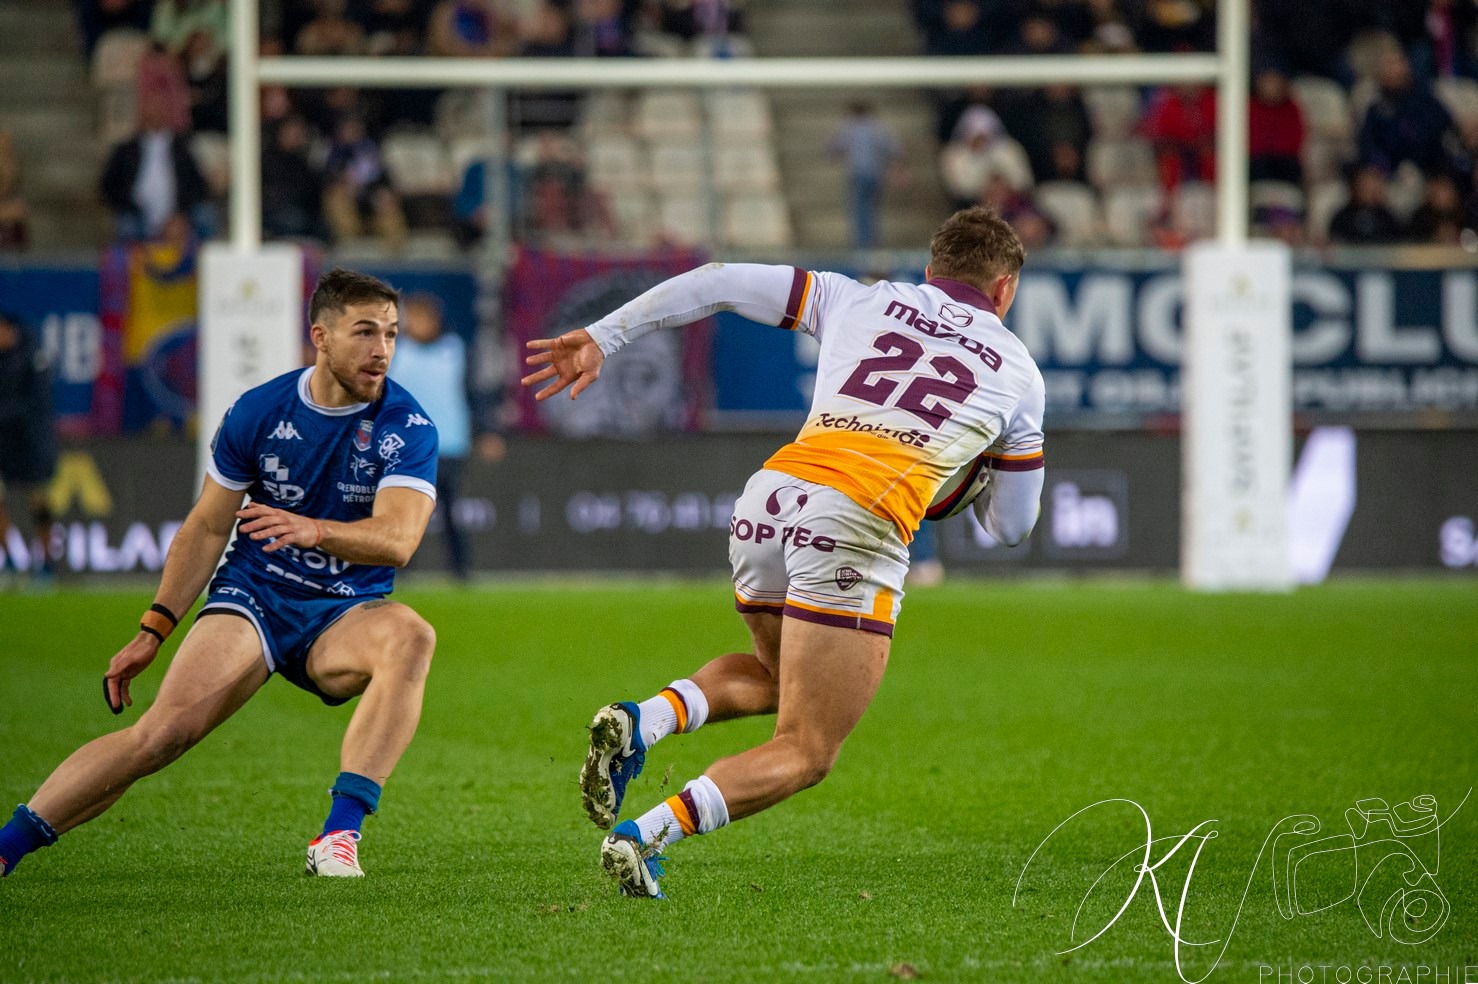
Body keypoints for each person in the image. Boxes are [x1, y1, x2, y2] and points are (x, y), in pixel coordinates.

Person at [523, 206, 1045, 899]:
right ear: (1005, 289)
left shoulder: (860, 296)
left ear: (930, 271)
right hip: (857, 518)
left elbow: (716, 280)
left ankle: (642, 721)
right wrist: (970, 478)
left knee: (777, 677)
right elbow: (1010, 526)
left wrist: (602, 334)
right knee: (807, 748)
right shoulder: (1018, 372)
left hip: (773, 495)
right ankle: (642, 836)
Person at [0, 269, 440, 880]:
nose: (382, 350)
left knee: (413, 636)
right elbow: (209, 527)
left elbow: (399, 539)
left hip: (343, 611)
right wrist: (154, 628)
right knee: (160, 737)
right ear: (321, 336)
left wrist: (316, 530)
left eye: (391, 334)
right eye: (365, 332)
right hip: (254, 598)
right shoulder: (260, 412)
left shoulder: (406, 426)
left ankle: (339, 836)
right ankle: (6, 845)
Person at [388, 293, 496, 580]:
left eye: (423, 318)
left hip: (449, 444)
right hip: (407, 446)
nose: (417, 324)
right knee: (406, 512)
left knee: (449, 511)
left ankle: (460, 570)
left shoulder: (456, 351)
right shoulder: (394, 352)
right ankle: (402, 569)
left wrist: (485, 431)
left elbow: (475, 393)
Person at [0, 312, 57, 579]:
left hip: (31, 441)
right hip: (4, 441)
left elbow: (38, 401)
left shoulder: (32, 354)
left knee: (39, 501)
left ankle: (46, 562)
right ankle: (9, 559)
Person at [829, 102, 903, 251]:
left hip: (858, 174)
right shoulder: (878, 128)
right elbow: (894, 148)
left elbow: (835, 147)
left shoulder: (850, 128)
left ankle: (863, 244)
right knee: (872, 208)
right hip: (876, 174)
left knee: (860, 208)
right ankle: (873, 240)